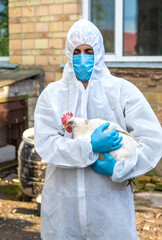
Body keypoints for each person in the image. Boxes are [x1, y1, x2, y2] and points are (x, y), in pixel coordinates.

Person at [34, 19, 162, 240]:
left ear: (99, 53)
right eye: (77, 51)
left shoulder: (122, 91)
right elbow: (46, 144)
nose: (82, 57)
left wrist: (119, 168)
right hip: (64, 209)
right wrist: (88, 146)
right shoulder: (52, 95)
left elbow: (152, 140)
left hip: (110, 210)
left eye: (89, 50)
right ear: (68, 53)